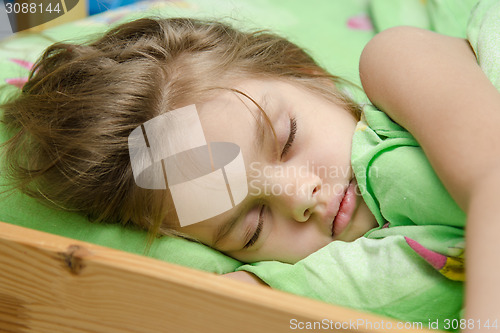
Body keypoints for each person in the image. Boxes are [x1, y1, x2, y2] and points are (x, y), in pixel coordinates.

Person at [1, 14, 498, 330]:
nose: (300, 196)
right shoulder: (340, 276)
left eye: (286, 140)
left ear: (311, 77)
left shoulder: (398, 60)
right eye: (254, 222)